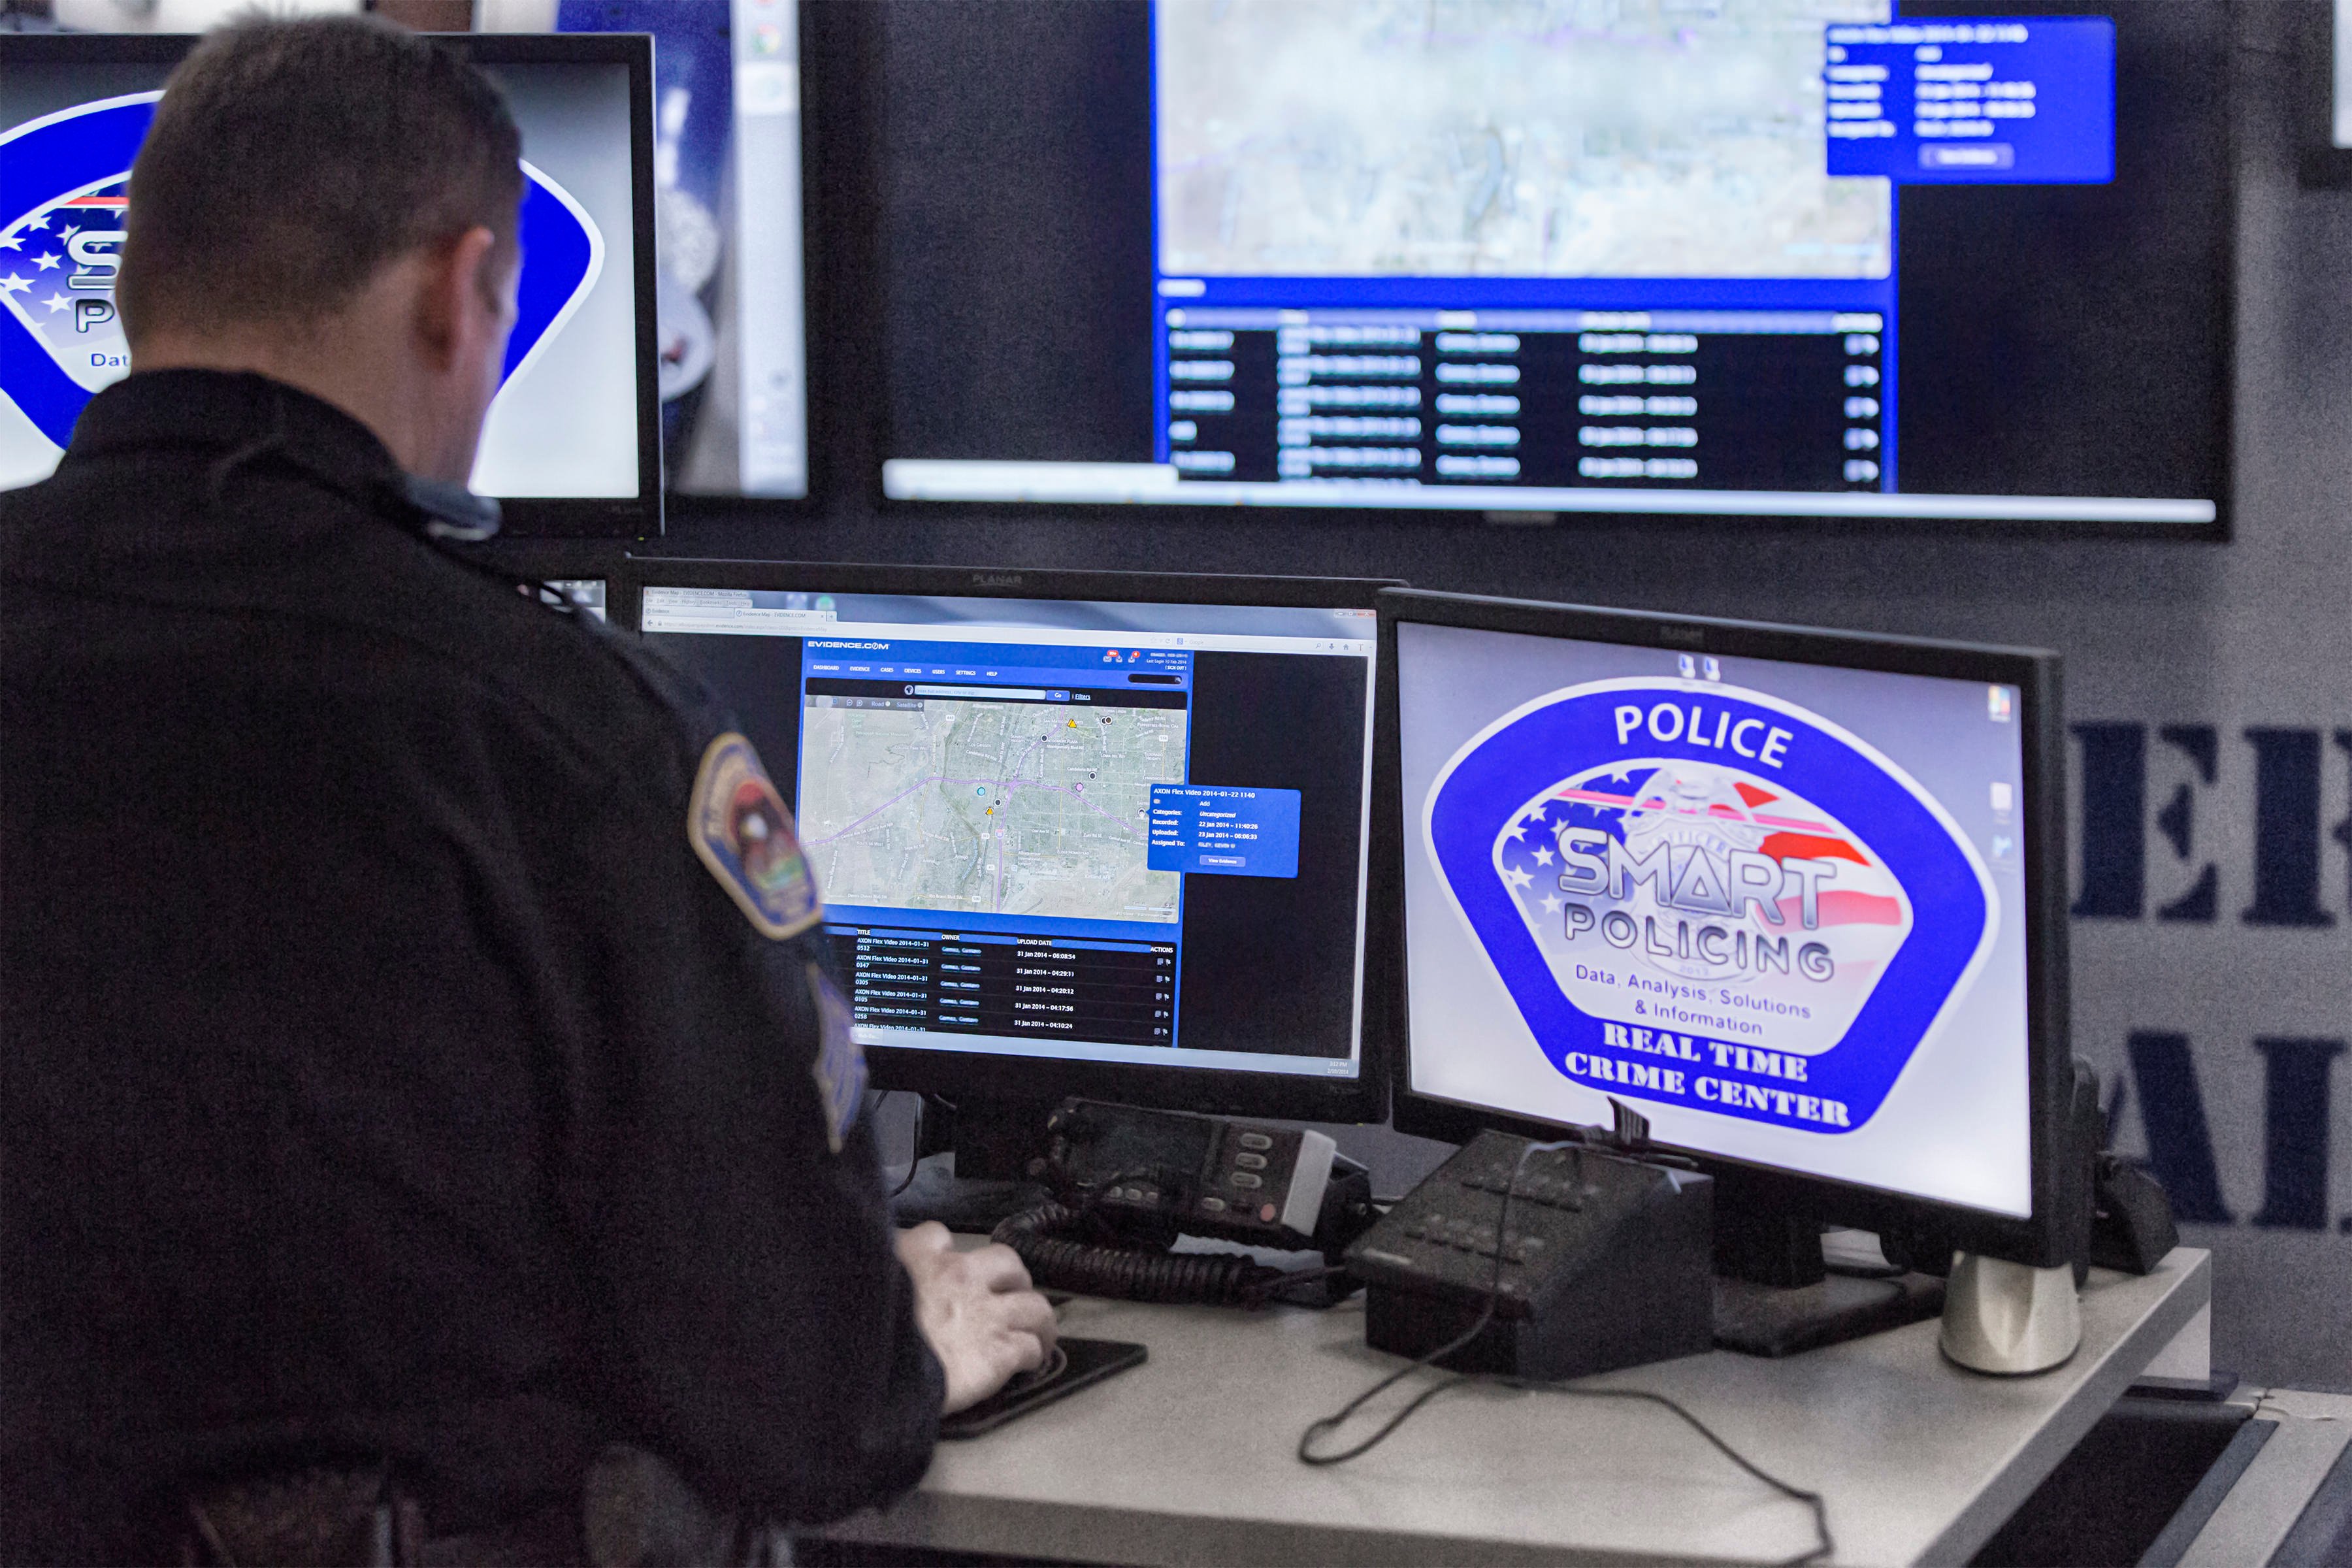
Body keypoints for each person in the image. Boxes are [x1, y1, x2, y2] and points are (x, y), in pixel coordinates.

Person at [0, 16, 1053, 1561]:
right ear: (463, 291)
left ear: (140, 277)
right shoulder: (571, 743)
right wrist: (904, 1344)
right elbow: (807, 1412)